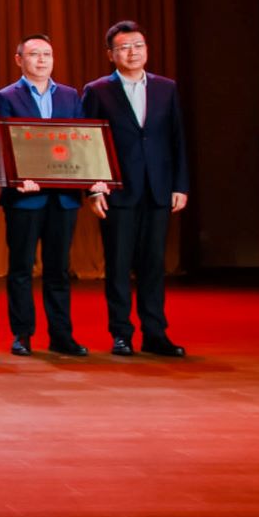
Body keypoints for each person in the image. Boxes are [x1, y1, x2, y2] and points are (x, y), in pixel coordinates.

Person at [81, 21, 190, 357]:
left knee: (153, 264)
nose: (133, 53)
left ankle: (155, 333)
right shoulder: (98, 91)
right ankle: (121, 334)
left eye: (138, 46)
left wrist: (180, 185)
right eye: (124, 47)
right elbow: (87, 142)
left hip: (158, 189)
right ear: (111, 54)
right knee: (118, 264)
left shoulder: (166, 88)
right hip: (118, 191)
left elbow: (177, 139)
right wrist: (93, 189)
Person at [0, 34, 91, 357]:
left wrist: (92, 182)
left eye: (47, 54)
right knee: (21, 268)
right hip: (25, 196)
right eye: (35, 54)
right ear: (20, 60)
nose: (42, 60)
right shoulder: (6, 97)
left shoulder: (70, 96)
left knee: (58, 269)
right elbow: (0, 143)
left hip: (63, 197)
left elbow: (82, 142)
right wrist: (15, 180)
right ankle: (22, 334)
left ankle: (62, 336)